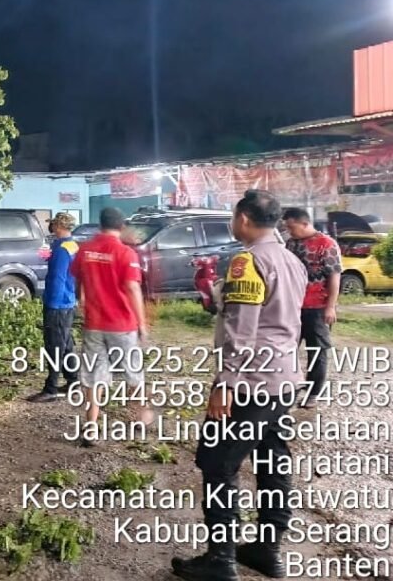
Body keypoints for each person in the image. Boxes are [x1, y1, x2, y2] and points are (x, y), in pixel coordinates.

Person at [172, 190, 307, 581]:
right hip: (283, 381)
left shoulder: (247, 261)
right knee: (272, 461)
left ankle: (221, 559)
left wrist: (224, 385)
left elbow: (241, 332)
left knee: (217, 464)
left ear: (244, 218)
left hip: (250, 384)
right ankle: (267, 549)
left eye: (234, 216)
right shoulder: (291, 260)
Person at [69, 207, 153, 447]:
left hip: (94, 323)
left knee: (95, 376)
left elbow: (78, 280)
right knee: (132, 371)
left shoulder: (85, 250)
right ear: (121, 226)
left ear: (100, 224)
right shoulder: (125, 253)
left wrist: (83, 302)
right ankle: (141, 416)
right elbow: (132, 289)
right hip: (122, 324)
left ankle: (91, 428)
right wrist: (142, 324)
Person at [282, 207, 341, 408]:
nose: (289, 231)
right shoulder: (291, 243)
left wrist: (330, 307)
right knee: (286, 349)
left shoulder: (327, 244)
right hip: (293, 306)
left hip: (318, 307)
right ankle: (286, 389)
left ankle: (313, 392)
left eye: (292, 227)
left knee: (317, 352)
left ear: (305, 223)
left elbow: (334, 276)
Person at [27, 212, 80, 402]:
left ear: (59, 226)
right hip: (68, 301)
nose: (51, 227)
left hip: (58, 304)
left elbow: (57, 277)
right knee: (66, 345)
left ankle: (51, 389)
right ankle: (73, 382)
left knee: (54, 346)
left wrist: (51, 304)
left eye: (53, 224)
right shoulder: (71, 245)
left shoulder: (62, 249)